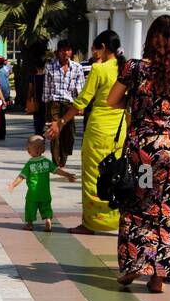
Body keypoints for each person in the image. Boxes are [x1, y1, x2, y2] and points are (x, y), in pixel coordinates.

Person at [109, 15, 170, 292]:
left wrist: (137, 101)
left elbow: (112, 101)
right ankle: (159, 275)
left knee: (139, 203)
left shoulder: (135, 68)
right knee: (166, 207)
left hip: (144, 151)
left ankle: (135, 264)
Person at [46, 30, 126, 234]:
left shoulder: (99, 69)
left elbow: (82, 100)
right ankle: (118, 220)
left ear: (103, 48)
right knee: (117, 174)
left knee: (93, 176)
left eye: (95, 49)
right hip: (121, 129)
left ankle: (91, 223)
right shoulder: (126, 68)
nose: (94, 53)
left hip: (99, 130)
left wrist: (61, 122)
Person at [9, 133, 74, 231]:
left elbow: (22, 176)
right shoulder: (47, 162)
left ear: (29, 151)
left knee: (30, 207)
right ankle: (48, 219)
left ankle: (30, 224)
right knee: (46, 206)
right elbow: (57, 170)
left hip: (33, 193)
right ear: (43, 149)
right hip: (45, 192)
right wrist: (68, 175)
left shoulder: (30, 164)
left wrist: (13, 184)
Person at [43, 41, 86, 171]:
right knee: (55, 132)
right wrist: (46, 104)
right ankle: (56, 162)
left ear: (71, 52)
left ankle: (64, 157)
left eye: (68, 50)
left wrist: (81, 105)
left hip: (70, 104)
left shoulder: (77, 68)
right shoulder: (50, 66)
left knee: (69, 133)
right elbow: (47, 87)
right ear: (58, 52)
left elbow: (80, 87)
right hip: (54, 103)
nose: (66, 53)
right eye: (63, 50)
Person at [0, 55, 11, 141]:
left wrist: (5, 97)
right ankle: (0, 134)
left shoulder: (0, 72)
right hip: (0, 96)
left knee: (0, 116)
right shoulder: (1, 70)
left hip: (0, 97)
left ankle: (0, 134)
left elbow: (3, 86)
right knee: (0, 115)